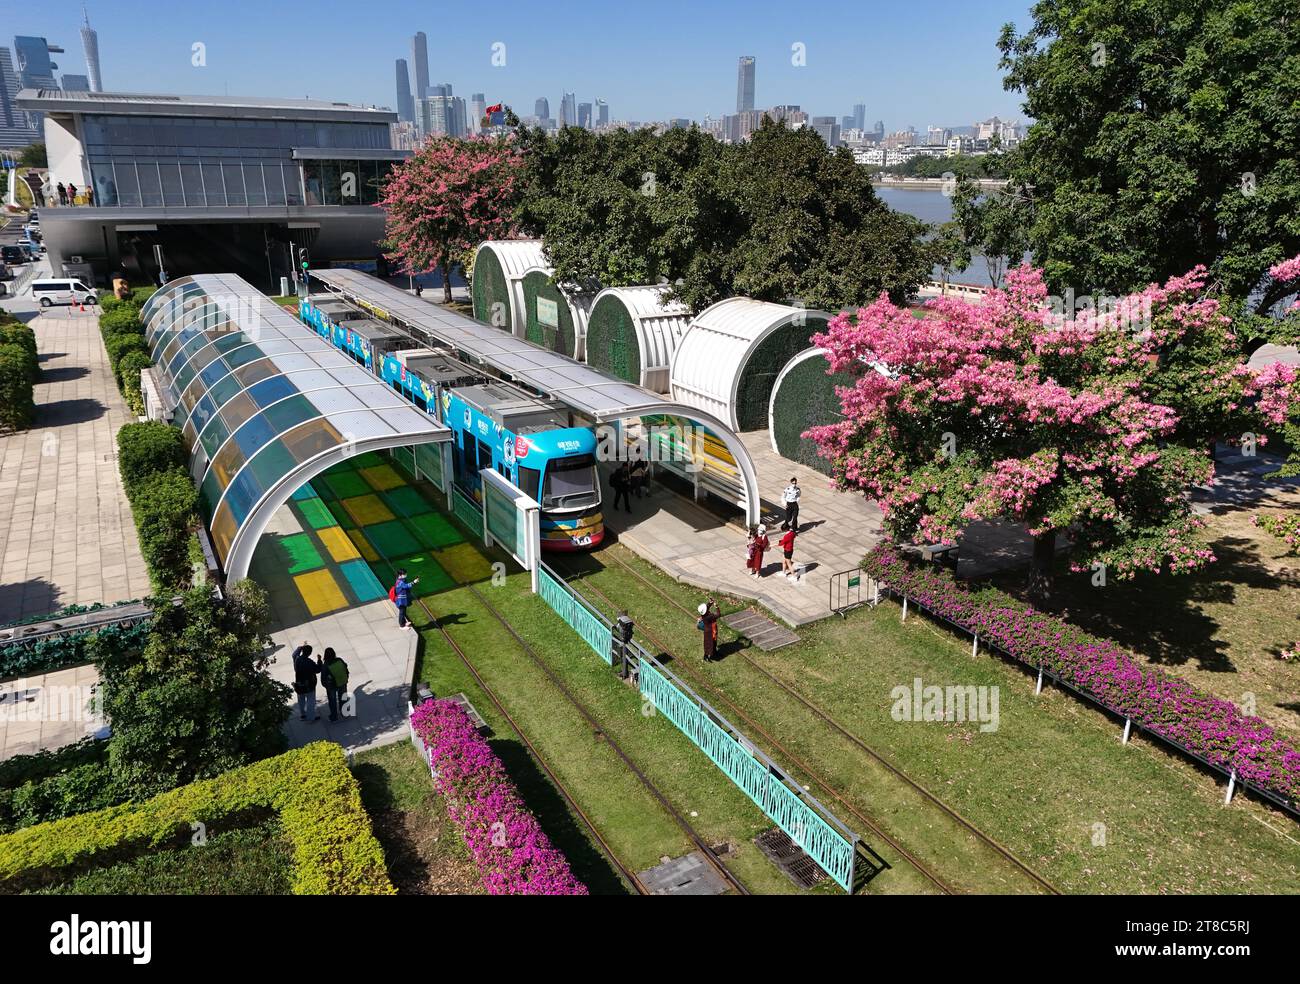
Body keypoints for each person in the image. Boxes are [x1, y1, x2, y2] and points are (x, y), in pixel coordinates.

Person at [291, 643, 320, 722]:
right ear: (310, 653)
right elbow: (318, 670)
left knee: (301, 700)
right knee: (310, 701)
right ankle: (311, 718)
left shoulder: (297, 659)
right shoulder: (310, 662)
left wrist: (301, 647)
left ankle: (303, 715)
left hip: (299, 684)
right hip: (310, 685)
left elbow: (294, 654)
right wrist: (319, 660)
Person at [321, 647, 350, 722]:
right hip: (342, 682)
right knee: (343, 698)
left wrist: (326, 686)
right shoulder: (339, 660)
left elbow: (323, 678)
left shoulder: (326, 665)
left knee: (332, 701)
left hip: (332, 686)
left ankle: (334, 717)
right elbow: (345, 666)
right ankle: (344, 713)